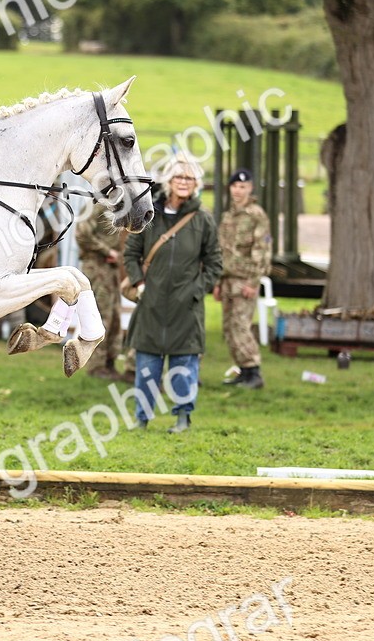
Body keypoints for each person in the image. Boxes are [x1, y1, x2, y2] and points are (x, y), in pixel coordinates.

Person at [124, 154, 222, 433]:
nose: (183, 183)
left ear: (196, 184)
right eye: (179, 177)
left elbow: (215, 262)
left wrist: (196, 290)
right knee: (146, 367)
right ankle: (141, 418)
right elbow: (131, 253)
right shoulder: (148, 214)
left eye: (189, 178)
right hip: (151, 304)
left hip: (186, 307)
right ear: (169, 180)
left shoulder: (203, 219)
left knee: (184, 367)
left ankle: (182, 418)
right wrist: (139, 283)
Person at [214, 168, 272, 388]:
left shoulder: (256, 215)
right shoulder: (227, 216)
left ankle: (254, 372)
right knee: (229, 328)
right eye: (235, 186)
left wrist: (253, 282)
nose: (238, 191)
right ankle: (243, 371)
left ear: (251, 189)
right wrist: (218, 282)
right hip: (228, 280)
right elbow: (221, 250)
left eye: (243, 187)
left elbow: (262, 250)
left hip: (244, 281)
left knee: (241, 326)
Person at [76, 198, 127, 381]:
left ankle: (109, 362)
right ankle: (96, 365)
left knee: (114, 316)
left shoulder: (118, 206)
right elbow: (82, 234)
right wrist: (107, 251)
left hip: (110, 269)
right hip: (96, 267)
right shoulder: (94, 205)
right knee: (100, 316)